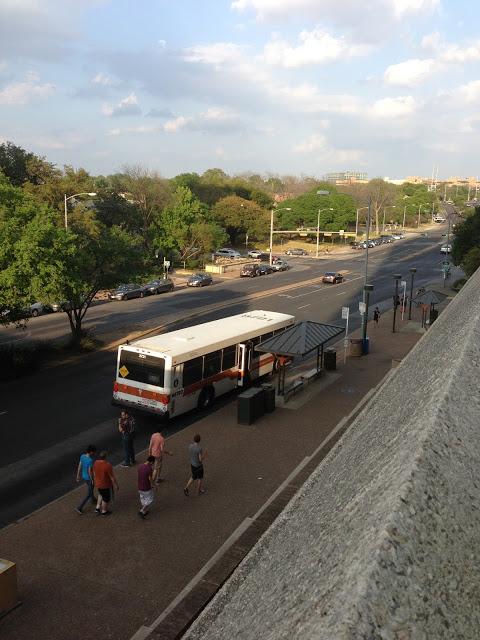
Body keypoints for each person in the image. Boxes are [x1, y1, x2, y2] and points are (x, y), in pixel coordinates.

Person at [93, 451, 119, 515]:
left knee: (101, 494)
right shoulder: (107, 465)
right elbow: (112, 477)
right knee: (106, 498)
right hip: (105, 484)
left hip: (98, 483)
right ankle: (104, 511)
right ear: (105, 457)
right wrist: (116, 485)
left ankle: (97, 508)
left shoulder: (96, 462)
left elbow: (94, 471)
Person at [75, 445, 97, 514]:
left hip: (84, 477)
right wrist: (93, 480)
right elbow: (90, 471)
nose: (94, 453)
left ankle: (93, 499)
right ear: (91, 452)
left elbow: (80, 466)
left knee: (90, 489)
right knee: (89, 493)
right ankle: (79, 507)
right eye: (93, 452)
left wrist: (78, 475)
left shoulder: (82, 456)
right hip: (89, 478)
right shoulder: (90, 460)